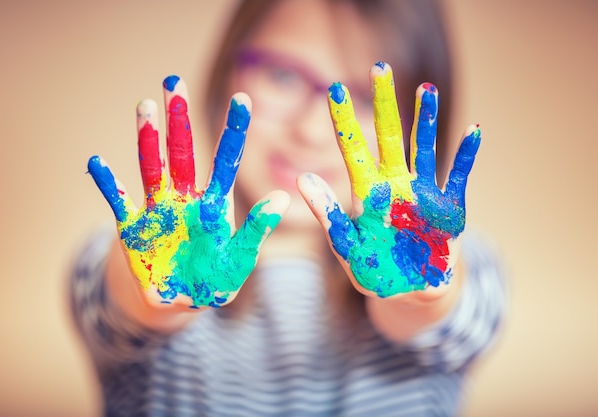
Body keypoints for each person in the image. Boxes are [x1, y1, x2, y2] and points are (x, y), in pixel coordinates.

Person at [71, 0, 506, 415]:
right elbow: (118, 305)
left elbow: (445, 317)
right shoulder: (138, 252)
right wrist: (157, 293)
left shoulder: (468, 272)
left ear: (419, 123)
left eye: (366, 98)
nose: (313, 130)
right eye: (282, 75)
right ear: (226, 74)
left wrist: (416, 280)